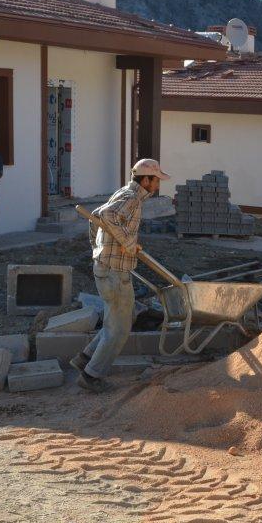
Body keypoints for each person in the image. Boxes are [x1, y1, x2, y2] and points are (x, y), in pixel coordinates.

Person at [73, 158, 170, 393]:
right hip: (114, 272)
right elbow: (106, 215)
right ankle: (91, 376)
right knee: (120, 328)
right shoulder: (133, 198)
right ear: (145, 179)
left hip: (106, 267)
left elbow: (95, 216)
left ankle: (85, 359)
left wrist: (99, 249)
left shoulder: (124, 193)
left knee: (113, 322)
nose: (157, 186)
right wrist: (127, 242)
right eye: (156, 180)